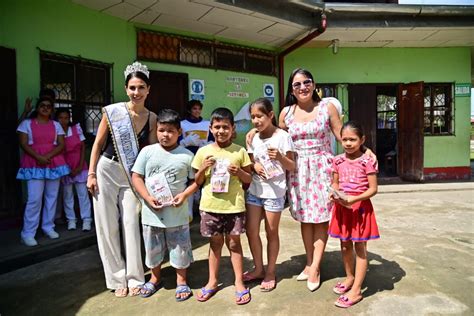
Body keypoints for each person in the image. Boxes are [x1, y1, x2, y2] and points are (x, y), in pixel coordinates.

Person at [87, 61, 158, 297]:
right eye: (132, 88)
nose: (136, 92)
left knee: (130, 223)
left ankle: (135, 277)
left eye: (140, 87)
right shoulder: (113, 112)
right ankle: (117, 279)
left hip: (130, 175)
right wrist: (91, 173)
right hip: (106, 170)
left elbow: (149, 152)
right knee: (107, 225)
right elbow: (97, 144)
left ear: (148, 89)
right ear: (126, 89)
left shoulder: (152, 118)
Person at [131, 109, 197, 302]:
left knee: (180, 247)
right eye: (161, 130)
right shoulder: (147, 152)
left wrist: (184, 195)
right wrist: (147, 198)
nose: (165, 135)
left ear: (179, 132)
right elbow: (137, 176)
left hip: (177, 213)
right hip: (151, 213)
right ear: (156, 130)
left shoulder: (186, 155)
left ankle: (181, 281)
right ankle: (155, 278)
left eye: (170, 131)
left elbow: (195, 182)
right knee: (153, 248)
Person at [192, 108, 253, 305]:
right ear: (210, 128)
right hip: (210, 206)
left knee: (234, 244)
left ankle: (239, 282)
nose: (221, 131)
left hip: (234, 207)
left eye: (225, 127)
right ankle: (212, 281)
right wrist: (202, 168)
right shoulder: (203, 152)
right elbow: (198, 181)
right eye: (217, 127)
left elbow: (248, 180)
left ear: (233, 128)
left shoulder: (240, 151)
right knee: (215, 244)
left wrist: (239, 172)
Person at [243, 98, 296, 292]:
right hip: (255, 191)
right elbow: (250, 162)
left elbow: (292, 165)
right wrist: (255, 166)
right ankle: (258, 269)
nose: (256, 121)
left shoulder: (283, 137)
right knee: (251, 230)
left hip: (274, 192)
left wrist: (280, 157)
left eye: (260, 116)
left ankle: (271, 271)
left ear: (271, 115)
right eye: (253, 117)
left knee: (271, 232)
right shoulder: (252, 137)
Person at [328, 121, 380, 308]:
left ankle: (356, 290)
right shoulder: (338, 160)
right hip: (342, 209)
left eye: (353, 139)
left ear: (362, 140)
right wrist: (334, 193)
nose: (348, 143)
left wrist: (354, 198)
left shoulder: (367, 161)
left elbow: (373, 189)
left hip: (360, 211)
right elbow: (335, 183)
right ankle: (350, 277)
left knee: (360, 249)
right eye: (345, 139)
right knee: (344, 246)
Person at [17, 96, 70, 246]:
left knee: (51, 197)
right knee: (34, 199)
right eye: (42, 105)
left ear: (52, 110)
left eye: (48, 106)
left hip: (53, 162)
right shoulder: (27, 124)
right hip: (34, 163)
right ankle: (27, 233)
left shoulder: (56, 125)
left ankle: (48, 226)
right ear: (37, 108)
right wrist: (38, 157)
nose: (45, 108)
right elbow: (23, 143)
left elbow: (61, 144)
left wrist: (46, 156)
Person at [55, 108, 92, 231]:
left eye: (66, 118)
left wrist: (81, 166)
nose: (63, 120)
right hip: (64, 166)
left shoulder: (76, 128)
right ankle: (71, 220)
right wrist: (66, 169)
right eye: (61, 118)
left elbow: (82, 148)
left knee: (83, 194)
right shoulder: (55, 131)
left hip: (79, 164)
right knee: (67, 195)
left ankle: (87, 219)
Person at [180, 99, 214, 220]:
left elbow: (213, 139)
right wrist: (185, 142)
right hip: (188, 157)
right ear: (189, 110)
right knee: (190, 184)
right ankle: (189, 214)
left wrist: (208, 144)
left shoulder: (207, 124)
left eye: (199, 109)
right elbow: (176, 141)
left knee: (204, 184)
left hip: (203, 158)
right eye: (194, 109)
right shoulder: (182, 124)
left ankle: (204, 213)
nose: (197, 111)